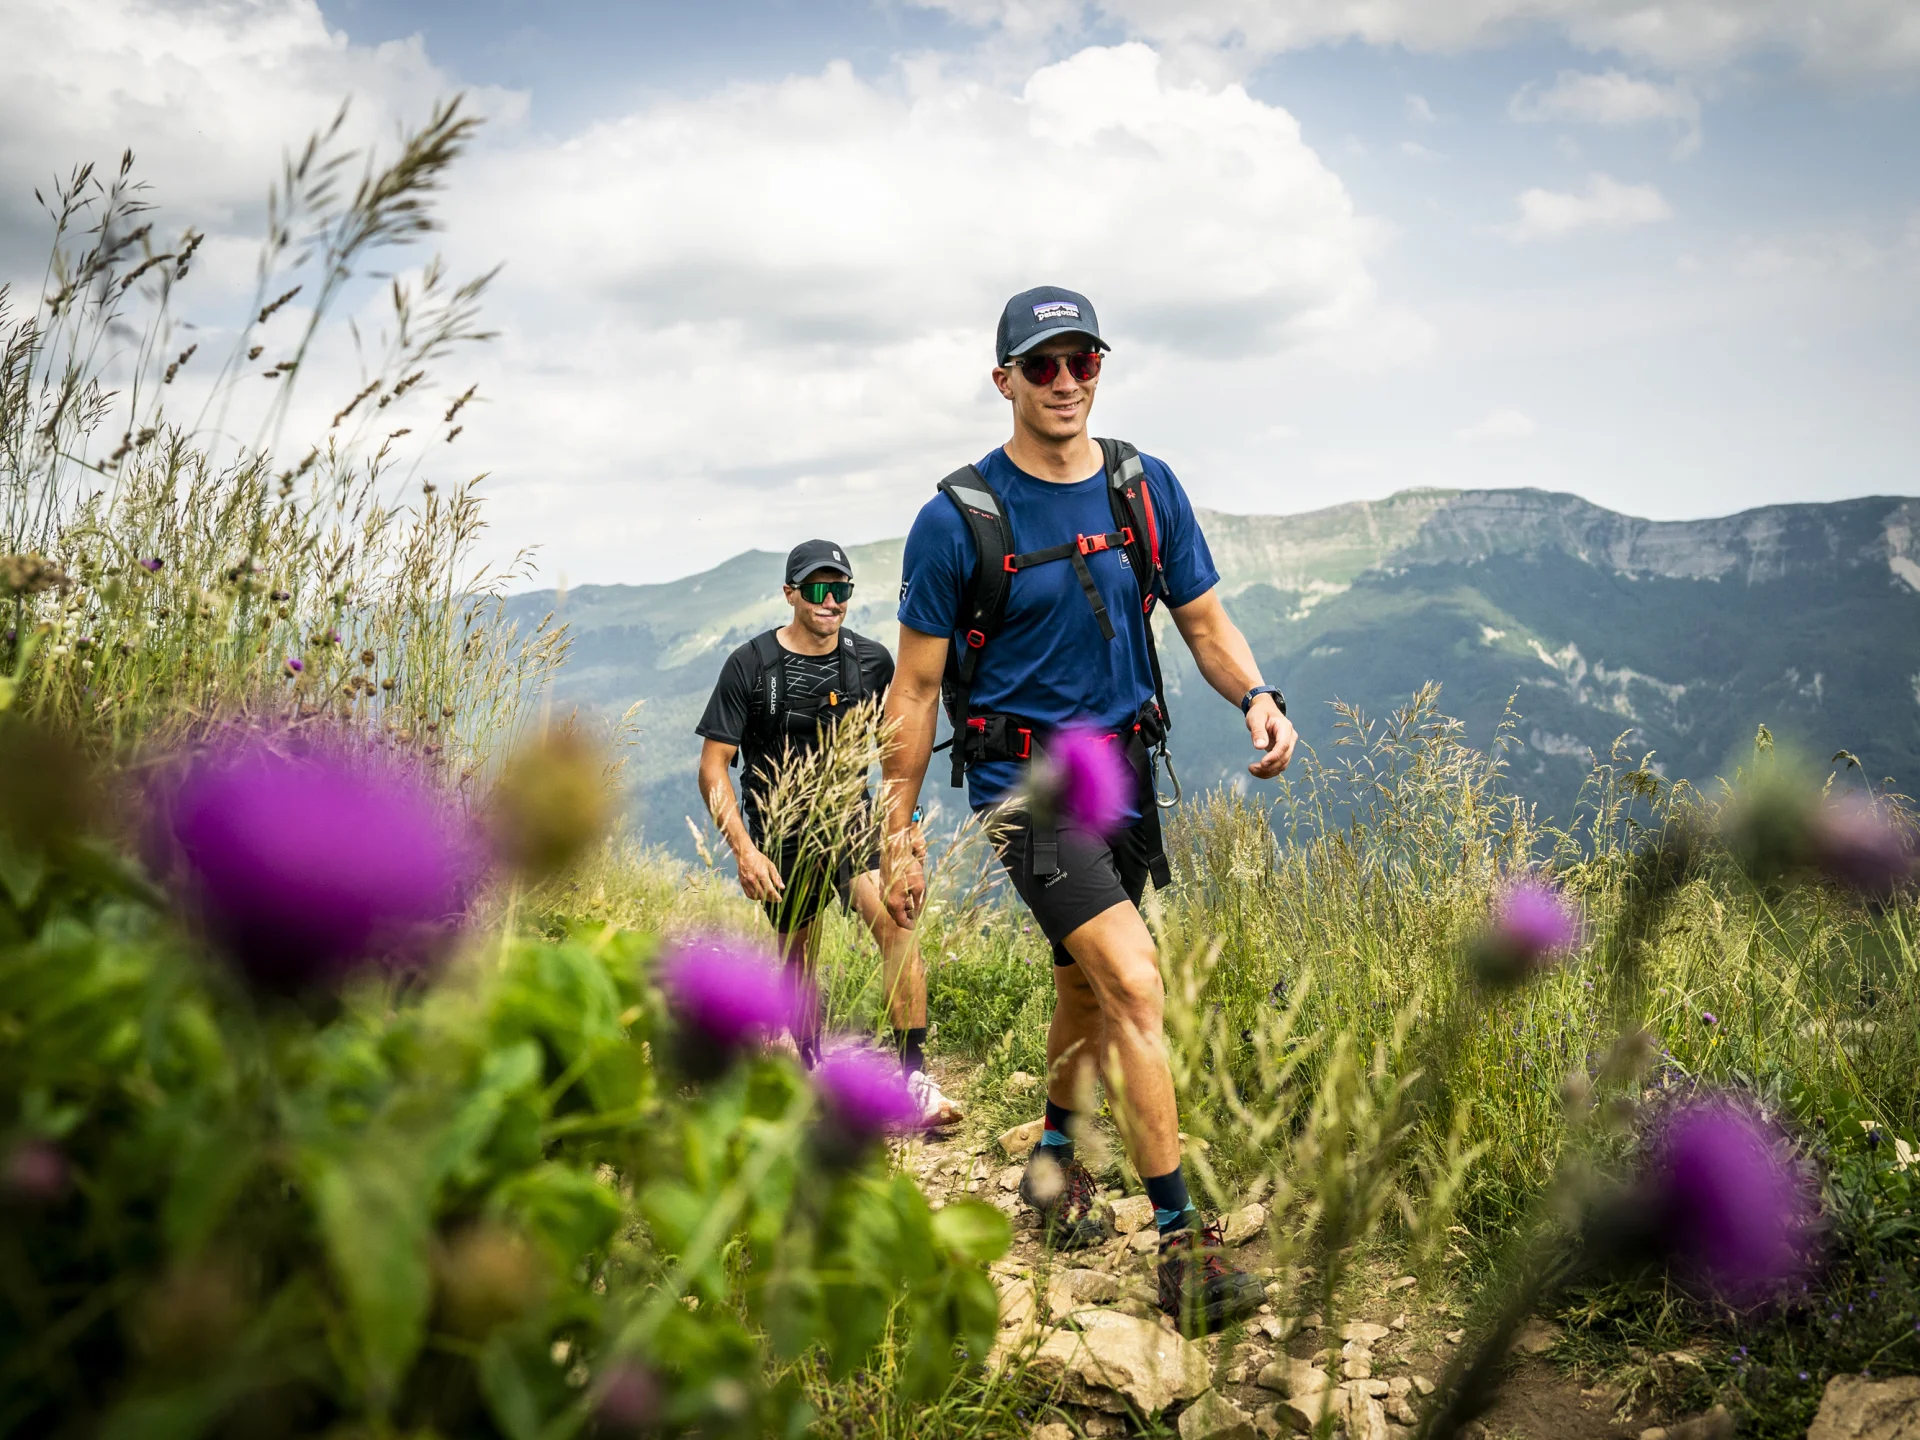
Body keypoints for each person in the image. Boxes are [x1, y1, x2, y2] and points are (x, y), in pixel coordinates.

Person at [879, 287, 1297, 1332]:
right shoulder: (956, 520)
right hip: (1023, 784)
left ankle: (1054, 1164)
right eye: (1043, 364)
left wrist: (1255, 695)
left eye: (1083, 361)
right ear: (1004, 380)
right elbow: (916, 692)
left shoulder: (1141, 487)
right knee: (1137, 983)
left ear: (1100, 367)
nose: (1066, 382)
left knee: (1083, 981)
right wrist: (898, 825)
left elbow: (1201, 620)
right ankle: (1183, 1250)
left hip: (1125, 773)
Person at [696, 539, 962, 1127]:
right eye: (818, 589)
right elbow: (713, 766)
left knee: (898, 925)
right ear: (790, 594)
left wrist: (906, 833)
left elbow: (899, 756)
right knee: (800, 958)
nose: (831, 600)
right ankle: (813, 1072)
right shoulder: (749, 665)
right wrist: (745, 850)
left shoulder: (871, 664)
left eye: (840, 589)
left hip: (851, 818)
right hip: (780, 827)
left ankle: (913, 1077)